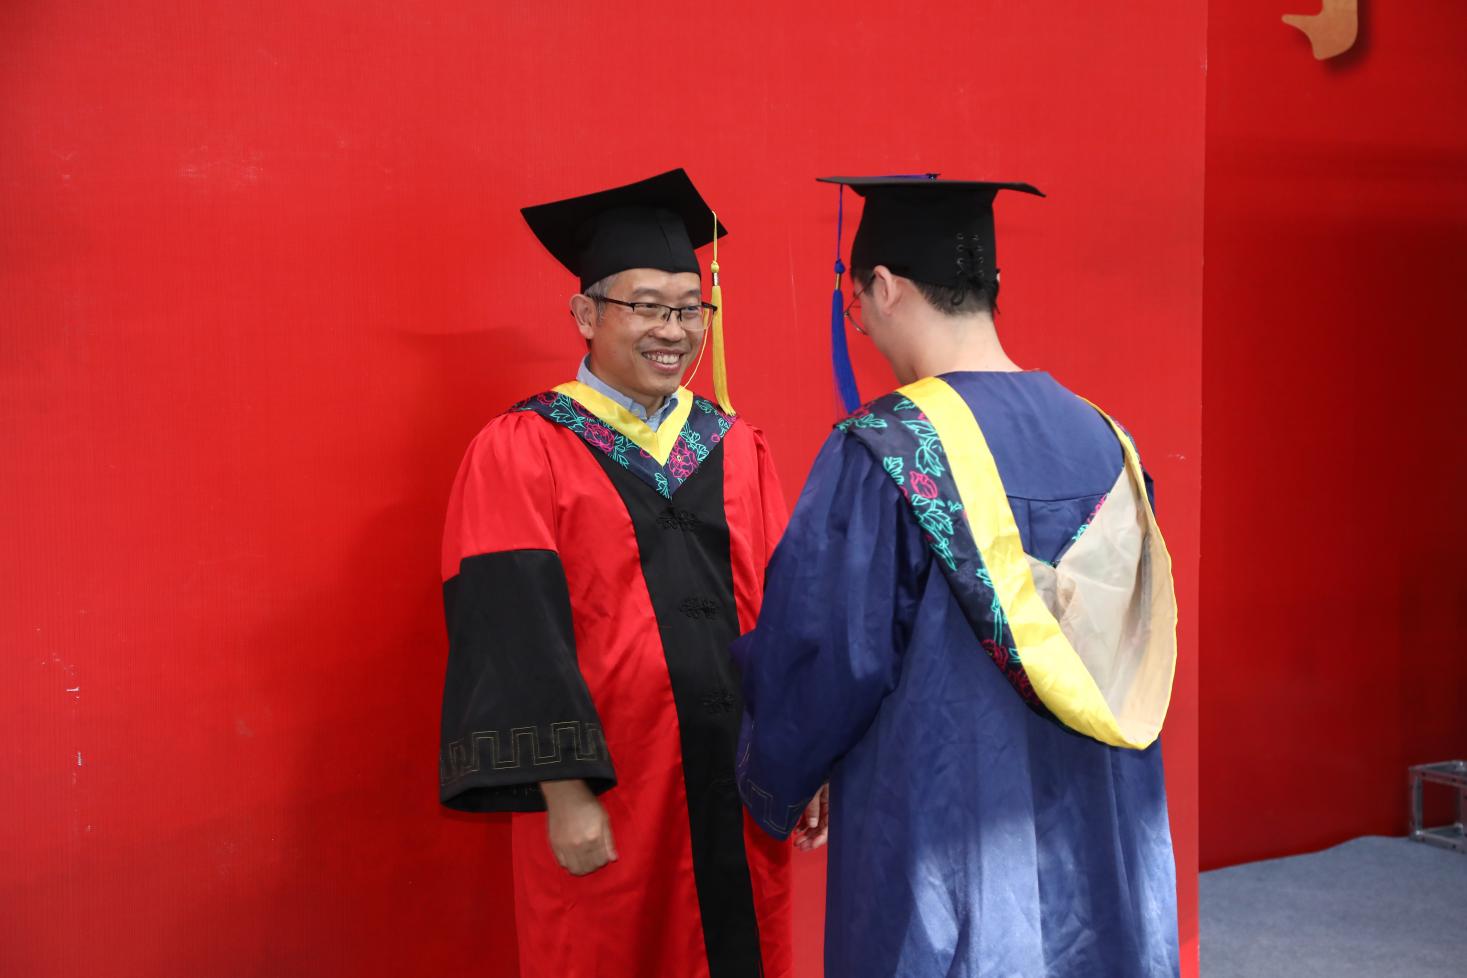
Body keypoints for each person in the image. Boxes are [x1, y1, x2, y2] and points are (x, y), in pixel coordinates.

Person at [734, 175, 1181, 978]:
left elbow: (828, 653)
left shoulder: (885, 449)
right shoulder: (1107, 440)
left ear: (884, 287)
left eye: (856, 303)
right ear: (990, 284)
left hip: (946, 830)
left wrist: (787, 768)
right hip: (1098, 823)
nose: (862, 322)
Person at [438, 169, 793, 978]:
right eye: (645, 306)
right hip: (614, 788)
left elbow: (784, 608)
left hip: (740, 783)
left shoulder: (735, 445)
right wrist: (564, 793)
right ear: (585, 314)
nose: (672, 330)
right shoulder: (524, 447)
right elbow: (510, 629)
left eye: (689, 309)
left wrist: (799, 758)